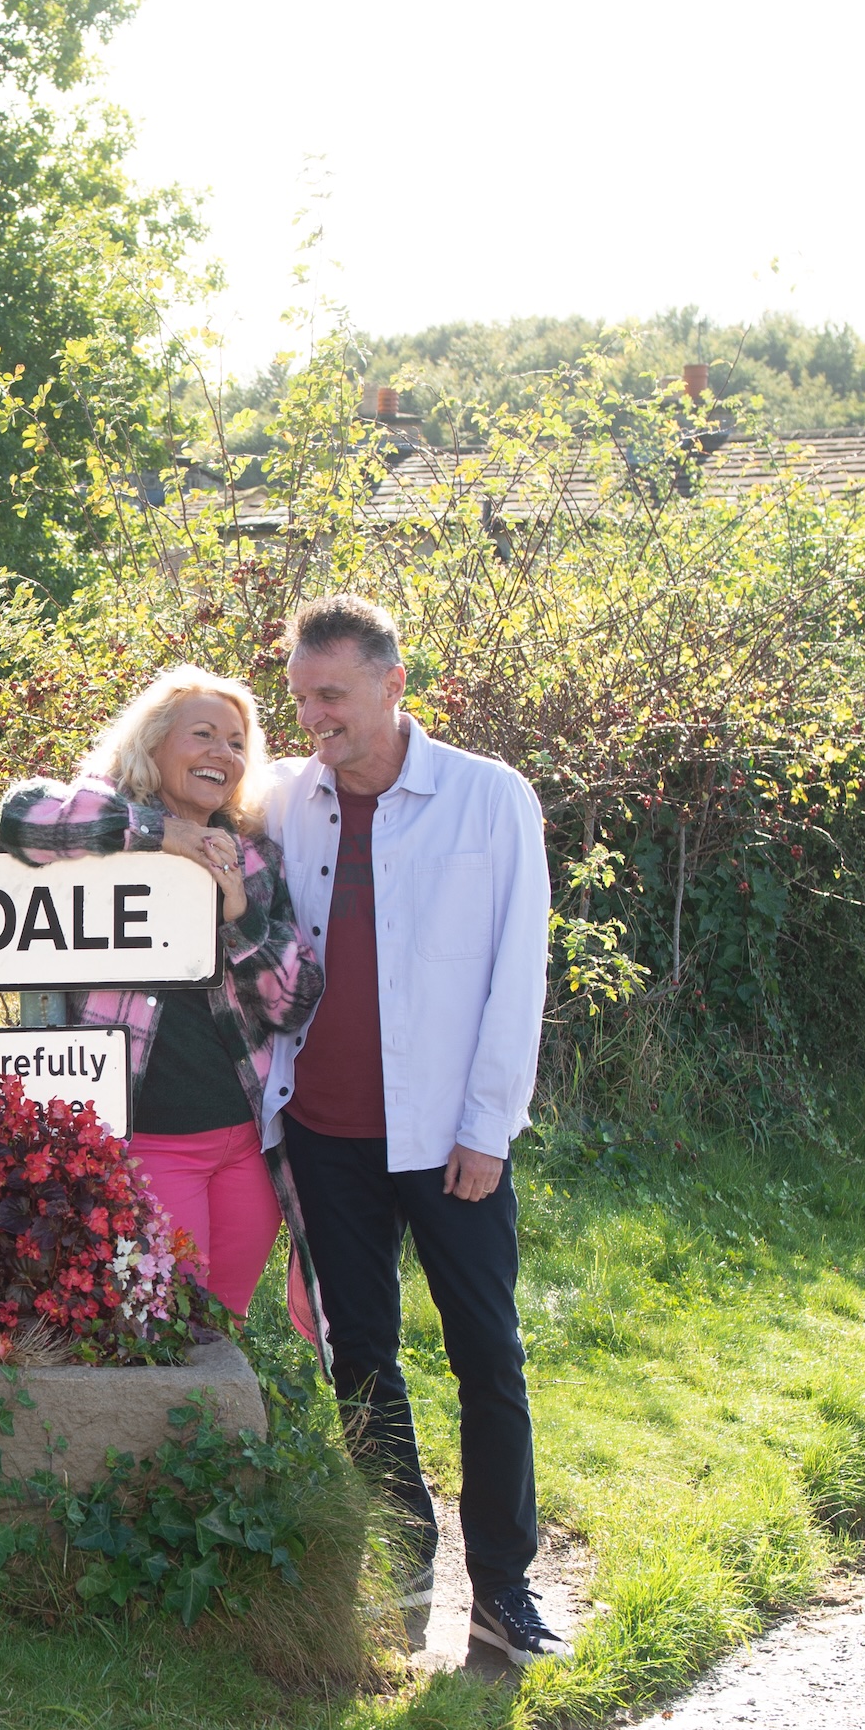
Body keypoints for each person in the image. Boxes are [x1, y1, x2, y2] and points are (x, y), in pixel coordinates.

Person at [259, 593, 559, 1669]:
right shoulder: (286, 799)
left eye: (330, 696)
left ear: (393, 683)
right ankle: (401, 1571)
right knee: (361, 1369)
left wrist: (489, 1127)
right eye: (299, 699)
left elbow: (515, 975)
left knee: (489, 1357)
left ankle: (505, 1591)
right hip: (323, 1138)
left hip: (450, 1143)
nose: (313, 719)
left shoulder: (489, 799)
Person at [0, 665, 320, 1316]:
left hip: (246, 1145)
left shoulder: (252, 855)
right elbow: (23, 820)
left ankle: (213, 1423)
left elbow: (297, 998)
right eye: (203, 734)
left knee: (219, 1326)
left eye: (236, 743)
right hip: (149, 1140)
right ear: (154, 742)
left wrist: (240, 921)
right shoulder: (98, 828)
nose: (221, 753)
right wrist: (165, 835)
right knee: (163, 1325)